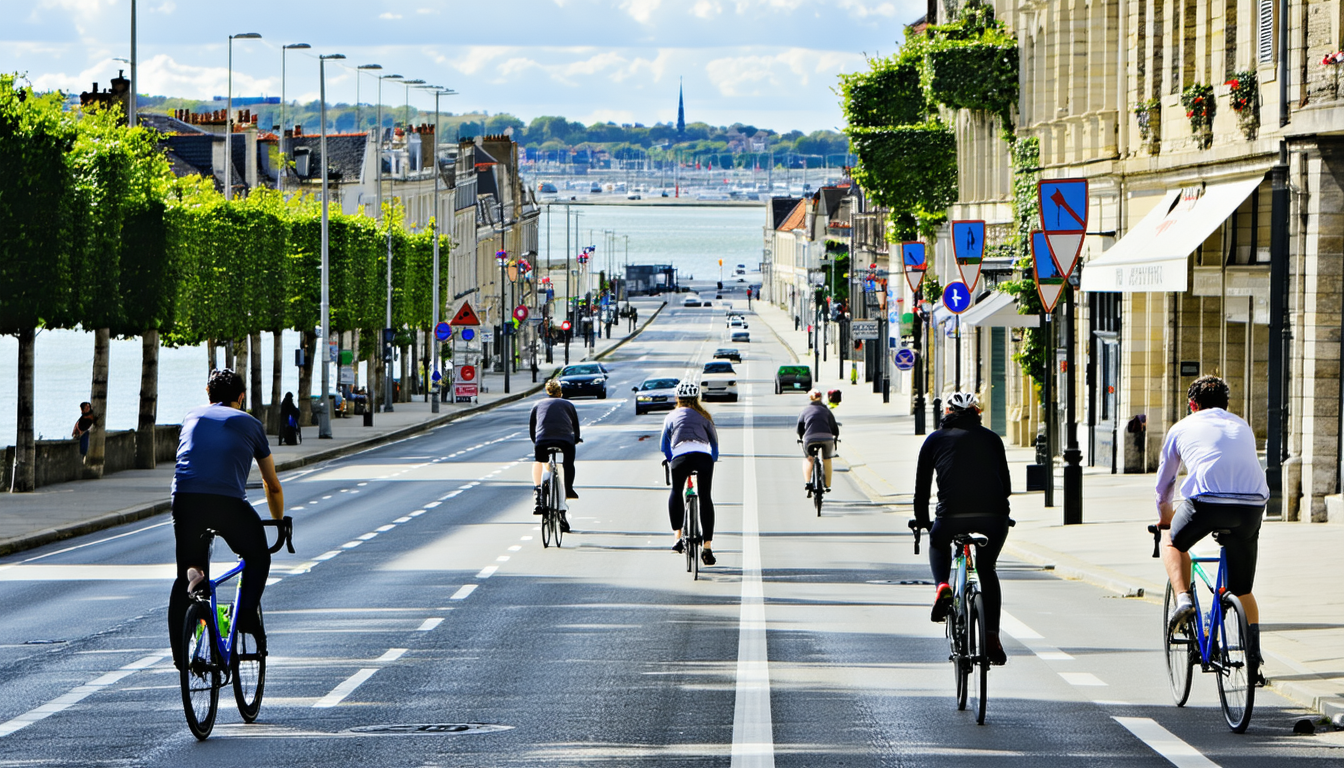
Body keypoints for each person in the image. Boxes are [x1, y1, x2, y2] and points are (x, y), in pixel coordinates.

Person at [168, 369, 284, 669]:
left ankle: (182, 656)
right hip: (227, 503)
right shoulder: (250, 423)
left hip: (185, 500)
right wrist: (278, 520)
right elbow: (272, 484)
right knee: (257, 555)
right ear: (241, 397)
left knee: (187, 573)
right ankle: (245, 615)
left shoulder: (191, 416)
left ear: (208, 392)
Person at [1156, 375, 1268, 680]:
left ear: (1192, 405)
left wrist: (1165, 518)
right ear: (1226, 404)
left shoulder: (1181, 427)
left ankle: (1183, 601)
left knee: (1173, 542)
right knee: (1243, 589)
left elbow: (1166, 484)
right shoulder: (1241, 425)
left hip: (1206, 503)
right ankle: (1254, 661)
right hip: (1252, 506)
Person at [912, 391, 1012, 665]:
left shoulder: (934, 440)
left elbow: (922, 490)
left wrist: (923, 521)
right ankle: (991, 636)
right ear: (977, 414)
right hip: (993, 517)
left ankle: (942, 585)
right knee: (986, 569)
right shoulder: (992, 438)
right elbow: (1007, 487)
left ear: (946, 413)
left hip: (951, 516)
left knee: (938, 542)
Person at [660, 382, 719, 566]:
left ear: (678, 398)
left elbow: (663, 445)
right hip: (703, 458)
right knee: (705, 497)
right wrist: (712, 459)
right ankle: (707, 546)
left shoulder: (671, 416)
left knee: (676, 491)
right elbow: (714, 443)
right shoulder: (705, 416)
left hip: (680, 458)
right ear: (697, 399)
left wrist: (671, 459)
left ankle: (677, 537)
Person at [530, 378, 580, 533]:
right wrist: (576, 439)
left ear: (547, 391)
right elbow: (576, 428)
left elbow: (532, 428)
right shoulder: (568, 404)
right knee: (568, 463)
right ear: (560, 392)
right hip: (565, 441)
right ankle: (569, 488)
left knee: (539, 461)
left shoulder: (537, 405)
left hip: (542, 441)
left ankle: (538, 491)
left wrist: (536, 441)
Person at [797, 389, 840, 494]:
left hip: (809, 438)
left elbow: (800, 427)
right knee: (827, 459)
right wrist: (835, 436)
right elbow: (834, 427)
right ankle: (827, 485)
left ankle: (808, 482)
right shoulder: (826, 411)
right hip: (827, 438)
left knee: (809, 459)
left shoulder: (805, 410)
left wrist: (801, 437)